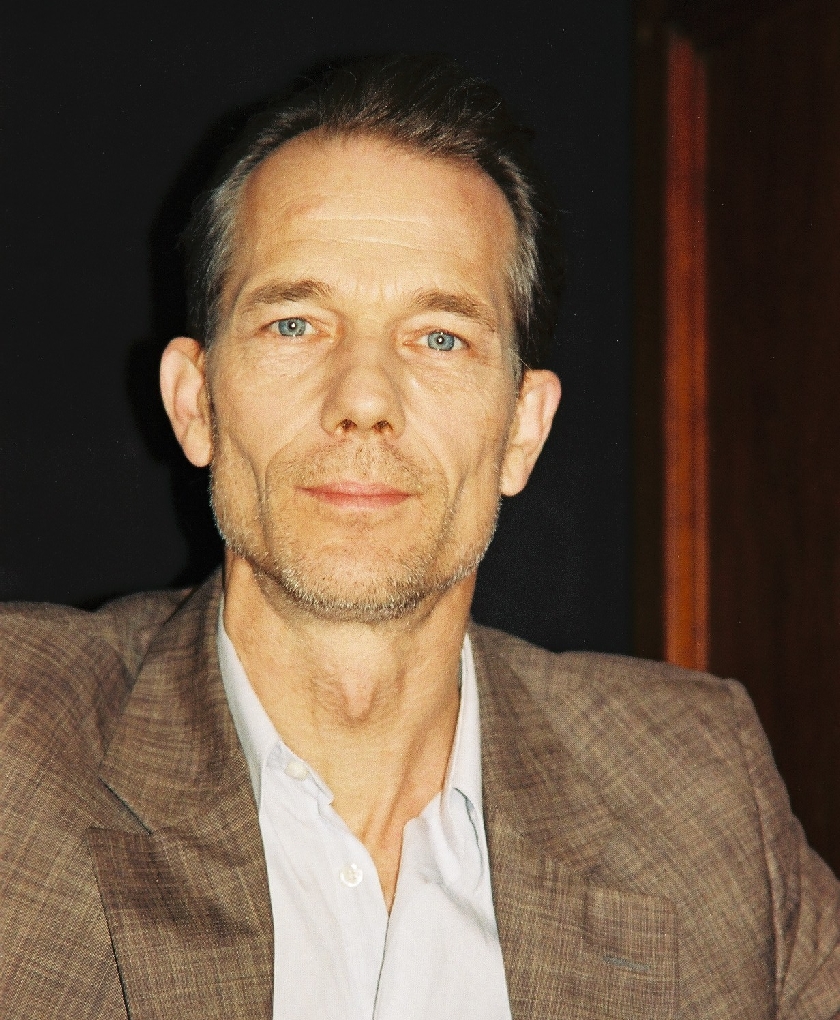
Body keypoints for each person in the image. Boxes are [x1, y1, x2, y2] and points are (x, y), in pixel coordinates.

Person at [1, 54, 838, 1020]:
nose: (364, 399)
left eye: (440, 337)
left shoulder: (698, 785)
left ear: (522, 429)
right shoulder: (19, 751)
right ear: (195, 404)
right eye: (296, 324)